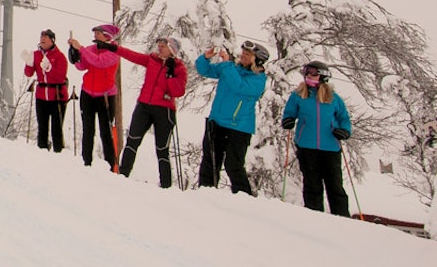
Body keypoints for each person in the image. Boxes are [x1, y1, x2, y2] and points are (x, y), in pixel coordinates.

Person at [195, 40, 269, 195]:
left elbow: (239, 86)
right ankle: (205, 194)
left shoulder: (258, 79)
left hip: (239, 127)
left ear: (258, 59)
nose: (243, 56)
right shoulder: (232, 68)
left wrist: (227, 65)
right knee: (210, 162)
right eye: (243, 53)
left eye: (248, 54)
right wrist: (205, 58)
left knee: (233, 165)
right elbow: (205, 70)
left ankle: (244, 199)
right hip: (216, 122)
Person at [282, 61, 353, 217]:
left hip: (330, 147)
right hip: (307, 146)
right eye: (307, 73)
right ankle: (314, 218)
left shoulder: (334, 98)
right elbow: (289, 112)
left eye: (313, 73)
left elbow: (344, 119)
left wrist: (345, 131)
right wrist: (288, 120)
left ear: (323, 76)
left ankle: (342, 219)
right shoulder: (299, 95)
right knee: (312, 185)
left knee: (335, 186)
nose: (309, 76)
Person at [116, 36, 188, 188]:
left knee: (162, 149)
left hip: (164, 110)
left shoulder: (179, 68)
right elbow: (133, 56)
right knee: (132, 140)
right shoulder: (152, 60)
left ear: (172, 50)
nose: (159, 48)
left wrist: (170, 74)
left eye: (163, 46)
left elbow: (178, 91)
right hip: (144, 105)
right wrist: (114, 48)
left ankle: (166, 185)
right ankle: (122, 174)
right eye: (159, 45)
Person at [67, 24, 120, 169]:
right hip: (88, 94)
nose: (95, 36)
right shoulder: (92, 49)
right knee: (88, 130)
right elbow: (81, 65)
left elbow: (100, 62)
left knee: (106, 132)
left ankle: (111, 166)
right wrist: (75, 53)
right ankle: (86, 163)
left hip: (105, 97)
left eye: (98, 33)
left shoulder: (114, 51)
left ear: (107, 36)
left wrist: (81, 49)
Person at [23, 29, 69, 152]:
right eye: (41, 37)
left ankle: (58, 152)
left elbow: (61, 76)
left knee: (57, 129)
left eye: (46, 37)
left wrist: (49, 68)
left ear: (52, 40)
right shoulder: (36, 55)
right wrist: (28, 63)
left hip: (57, 96)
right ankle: (42, 151)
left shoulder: (60, 56)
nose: (42, 39)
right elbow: (28, 73)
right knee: (42, 127)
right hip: (41, 95)